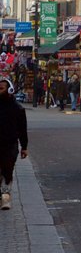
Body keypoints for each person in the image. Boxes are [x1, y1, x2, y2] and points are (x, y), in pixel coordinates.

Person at [0, 77, 29, 211]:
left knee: (8, 169)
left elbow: (22, 129)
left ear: (10, 90)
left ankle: (6, 196)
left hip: (10, 144)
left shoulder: (17, 108)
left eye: (1, 88)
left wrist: (24, 147)